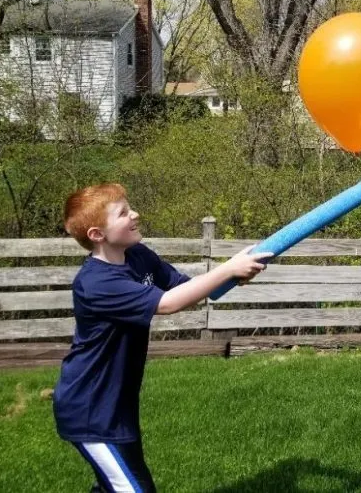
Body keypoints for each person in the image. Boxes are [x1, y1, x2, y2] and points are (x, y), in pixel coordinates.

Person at [53, 183, 271, 492]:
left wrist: (234, 276)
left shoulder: (137, 255)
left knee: (115, 485)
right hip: (90, 412)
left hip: (117, 407)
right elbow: (167, 304)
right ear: (97, 235)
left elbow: (184, 288)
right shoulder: (96, 283)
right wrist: (226, 270)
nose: (135, 214)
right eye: (123, 213)